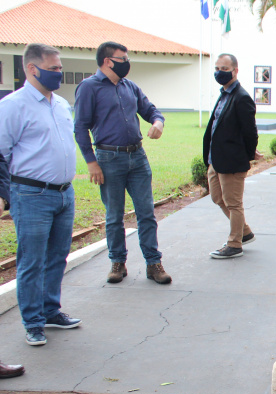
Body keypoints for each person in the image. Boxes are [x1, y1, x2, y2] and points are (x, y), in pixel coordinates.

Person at [0, 43, 82, 347]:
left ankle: (50, 311)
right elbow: (0, 152)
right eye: (54, 68)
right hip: (31, 194)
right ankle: (32, 322)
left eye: (60, 67)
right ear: (32, 68)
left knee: (57, 257)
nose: (59, 73)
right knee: (32, 261)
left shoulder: (61, 104)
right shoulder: (12, 106)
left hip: (64, 193)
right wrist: (4, 194)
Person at [74, 41, 171, 285]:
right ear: (108, 61)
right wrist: (91, 162)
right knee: (114, 215)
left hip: (137, 157)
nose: (127, 62)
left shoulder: (130, 87)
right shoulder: (88, 87)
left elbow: (151, 111)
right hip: (108, 159)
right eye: (123, 58)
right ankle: (118, 262)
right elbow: (80, 128)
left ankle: (153, 263)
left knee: (146, 213)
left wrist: (158, 122)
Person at [203, 53, 261, 259]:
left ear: (235, 71)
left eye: (224, 69)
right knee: (217, 198)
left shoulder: (241, 97)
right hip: (215, 159)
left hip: (232, 161)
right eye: (217, 69)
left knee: (234, 203)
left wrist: (247, 156)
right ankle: (244, 231)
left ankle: (235, 244)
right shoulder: (224, 94)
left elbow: (250, 132)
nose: (219, 73)